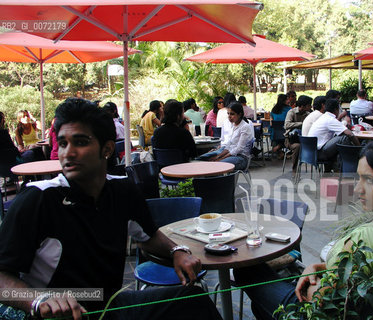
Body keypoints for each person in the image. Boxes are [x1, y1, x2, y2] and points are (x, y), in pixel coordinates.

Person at [0, 98, 221, 320]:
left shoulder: (122, 189)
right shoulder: (38, 199)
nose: (68, 153)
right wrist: (38, 300)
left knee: (194, 301)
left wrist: (177, 251)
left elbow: (147, 236)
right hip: (58, 314)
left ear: (106, 149)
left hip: (108, 304)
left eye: (80, 142)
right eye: (64, 143)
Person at [234, 137, 373, 320]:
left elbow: (320, 300)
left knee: (245, 268)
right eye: (358, 178)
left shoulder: (366, 238)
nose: (357, 188)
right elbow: (368, 271)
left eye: (368, 180)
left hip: (312, 311)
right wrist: (317, 267)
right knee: (259, 304)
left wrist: (312, 283)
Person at [196, 101, 254, 170]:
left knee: (217, 164)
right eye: (228, 113)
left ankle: (218, 179)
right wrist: (218, 156)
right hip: (230, 152)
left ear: (239, 114)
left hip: (241, 158)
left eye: (232, 114)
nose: (229, 116)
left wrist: (221, 158)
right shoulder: (233, 125)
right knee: (201, 158)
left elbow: (239, 149)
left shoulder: (245, 127)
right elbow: (229, 145)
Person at [308, 98, 360, 167]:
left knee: (340, 140)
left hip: (311, 152)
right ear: (336, 109)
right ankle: (351, 161)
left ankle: (339, 166)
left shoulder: (323, 117)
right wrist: (359, 147)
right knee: (344, 138)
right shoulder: (330, 119)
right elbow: (350, 134)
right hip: (319, 153)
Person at [284, 95, 312, 171]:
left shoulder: (308, 114)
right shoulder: (292, 112)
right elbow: (286, 125)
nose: (310, 107)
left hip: (303, 138)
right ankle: (294, 169)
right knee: (298, 147)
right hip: (290, 139)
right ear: (303, 106)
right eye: (309, 105)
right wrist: (301, 123)